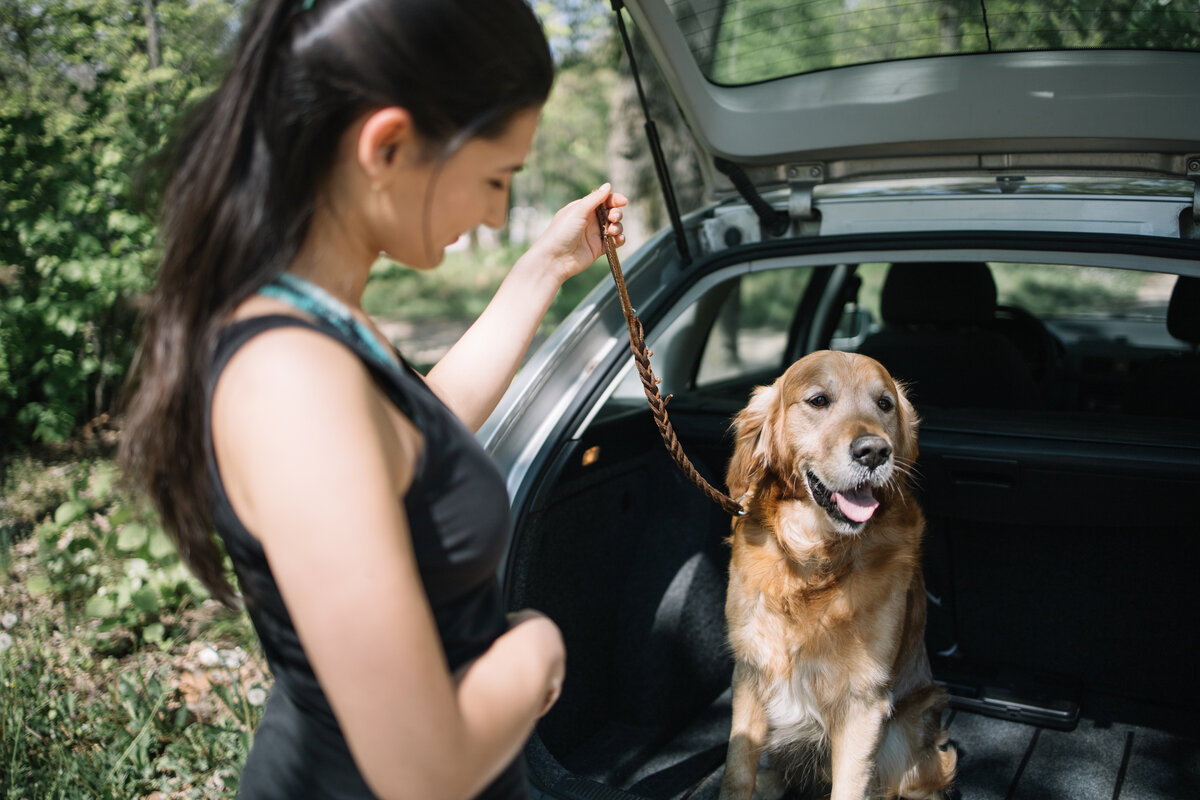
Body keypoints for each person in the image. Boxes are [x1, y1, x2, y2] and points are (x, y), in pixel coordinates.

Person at [118, 1, 627, 798]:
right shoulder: (292, 380)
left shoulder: (320, 321)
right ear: (387, 145)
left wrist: (544, 269)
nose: (497, 211)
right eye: (495, 178)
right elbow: (423, 772)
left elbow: (418, 430)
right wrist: (535, 649)